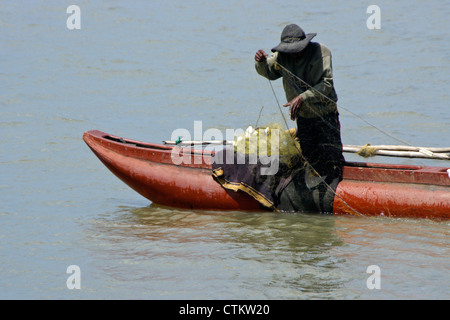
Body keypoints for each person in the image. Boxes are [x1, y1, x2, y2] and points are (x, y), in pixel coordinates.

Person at [254, 23, 345, 213]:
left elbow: (326, 84)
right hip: (304, 118)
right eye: (291, 51)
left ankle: (332, 197)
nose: (294, 54)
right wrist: (260, 62)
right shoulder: (282, 57)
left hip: (325, 114)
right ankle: (311, 202)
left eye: (298, 50)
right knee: (310, 160)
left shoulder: (321, 52)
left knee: (332, 160)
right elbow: (269, 72)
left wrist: (303, 97)